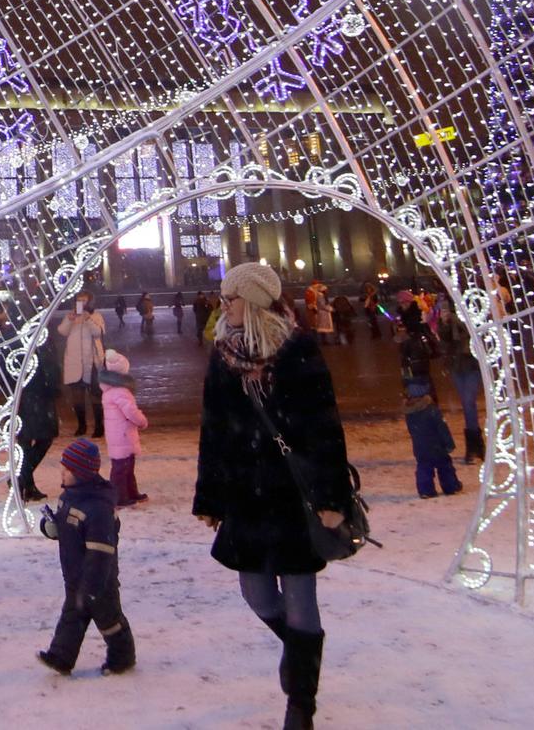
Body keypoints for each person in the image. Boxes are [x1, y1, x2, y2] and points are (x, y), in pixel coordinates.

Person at [192, 260, 352, 730]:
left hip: (294, 495)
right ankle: (299, 651)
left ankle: (301, 701)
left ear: (257, 302)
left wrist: (330, 499)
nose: (225, 306)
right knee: (257, 592)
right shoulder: (223, 354)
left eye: (232, 298)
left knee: (300, 594)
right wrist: (210, 499)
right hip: (245, 493)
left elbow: (325, 428)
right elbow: (213, 431)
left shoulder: (298, 350)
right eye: (224, 298)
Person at [35, 439, 135, 676]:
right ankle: (61, 656)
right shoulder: (70, 497)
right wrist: (51, 527)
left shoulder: (97, 507)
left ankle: (122, 657)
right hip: (75, 575)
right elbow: (67, 527)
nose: (62, 472)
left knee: (109, 620)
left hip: (99, 581)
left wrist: (92, 585)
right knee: (72, 615)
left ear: (81, 474)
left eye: (68, 469)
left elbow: (101, 551)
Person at [15, 332, 61, 503]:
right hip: (37, 397)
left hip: (22, 397)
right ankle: (22, 480)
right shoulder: (41, 337)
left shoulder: (14, 336)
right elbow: (51, 367)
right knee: (42, 439)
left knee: (26, 443)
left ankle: (23, 481)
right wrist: (53, 387)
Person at [100, 351, 149, 508]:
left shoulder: (109, 391)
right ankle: (120, 496)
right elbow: (131, 412)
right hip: (123, 434)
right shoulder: (121, 392)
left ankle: (129, 492)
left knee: (125, 466)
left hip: (117, 434)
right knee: (122, 468)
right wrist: (142, 421)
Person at [403, 375, 463, 498]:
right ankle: (450, 486)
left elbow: (412, 431)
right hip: (437, 446)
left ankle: (426, 489)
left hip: (420, 447)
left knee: (424, 467)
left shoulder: (410, 413)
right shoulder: (431, 410)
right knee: (445, 466)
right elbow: (442, 428)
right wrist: (449, 444)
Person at [58, 293, 107, 437]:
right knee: (77, 396)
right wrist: (69, 319)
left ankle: (99, 426)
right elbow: (62, 331)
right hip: (74, 361)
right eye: (79, 301)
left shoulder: (96, 316)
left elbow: (98, 333)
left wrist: (88, 319)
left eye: (84, 301)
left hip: (91, 361)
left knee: (95, 395)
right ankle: (81, 425)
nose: (82, 303)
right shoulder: (71, 316)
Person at [440, 309, 485, 464]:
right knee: (467, 405)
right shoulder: (451, 314)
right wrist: (445, 323)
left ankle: (474, 447)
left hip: (472, 363)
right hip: (457, 365)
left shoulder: (474, 311)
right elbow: (445, 339)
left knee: (468, 402)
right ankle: (475, 446)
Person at [303, 279, 333, 345]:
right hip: (319, 313)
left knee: (318, 328)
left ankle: (319, 341)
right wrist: (330, 309)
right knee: (319, 328)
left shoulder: (312, 292)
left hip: (318, 313)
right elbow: (322, 305)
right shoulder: (318, 295)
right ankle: (319, 341)